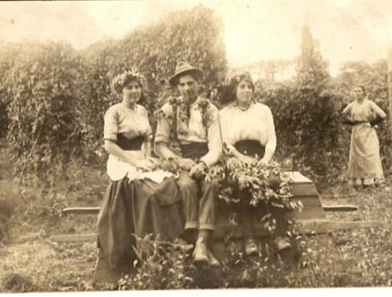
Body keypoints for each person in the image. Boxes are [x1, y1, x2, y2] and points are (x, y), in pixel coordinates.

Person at [97, 70, 184, 273]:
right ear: (121, 90)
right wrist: (134, 162)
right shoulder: (114, 112)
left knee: (168, 184)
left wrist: (145, 158)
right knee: (149, 194)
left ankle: (170, 246)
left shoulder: (142, 111)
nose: (134, 91)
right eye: (130, 87)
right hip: (121, 159)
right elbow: (109, 145)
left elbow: (146, 139)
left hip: (140, 157)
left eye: (137, 87)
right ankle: (148, 251)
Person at [154, 62, 222, 266]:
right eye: (182, 85)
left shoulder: (209, 109)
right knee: (186, 185)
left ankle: (202, 241)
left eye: (190, 83)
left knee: (212, 184)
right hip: (181, 156)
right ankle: (196, 240)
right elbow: (160, 144)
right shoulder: (169, 109)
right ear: (177, 87)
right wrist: (179, 160)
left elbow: (217, 145)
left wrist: (203, 163)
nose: (186, 88)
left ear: (198, 83)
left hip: (207, 156)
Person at [219, 72, 291, 256]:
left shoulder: (263, 110)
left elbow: (272, 139)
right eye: (242, 86)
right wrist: (239, 158)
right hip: (236, 158)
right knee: (244, 183)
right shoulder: (225, 113)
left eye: (249, 86)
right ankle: (249, 238)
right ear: (234, 90)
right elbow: (225, 142)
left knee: (274, 182)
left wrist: (266, 159)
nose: (246, 90)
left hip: (261, 157)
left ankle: (278, 236)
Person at [342, 85, 387, 187]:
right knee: (357, 156)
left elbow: (383, 115)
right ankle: (359, 181)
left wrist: (371, 123)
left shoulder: (369, 103)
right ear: (353, 93)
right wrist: (352, 122)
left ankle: (372, 180)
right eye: (355, 91)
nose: (358, 93)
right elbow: (343, 114)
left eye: (360, 91)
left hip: (368, 132)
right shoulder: (352, 105)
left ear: (364, 92)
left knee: (370, 154)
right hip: (357, 132)